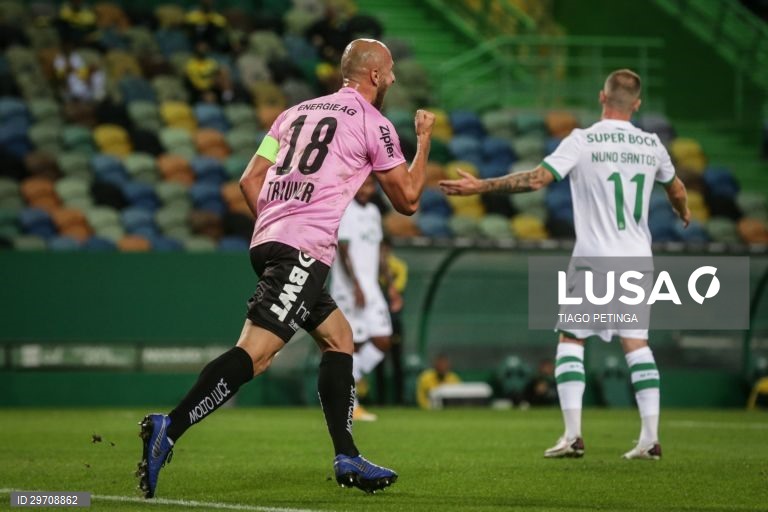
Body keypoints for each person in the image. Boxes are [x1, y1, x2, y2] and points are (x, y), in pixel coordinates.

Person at [136, 38, 435, 499]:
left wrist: (279, 226)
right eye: (391, 70)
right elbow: (409, 200)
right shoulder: (376, 125)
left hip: (268, 238)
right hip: (303, 250)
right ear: (375, 75)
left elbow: (248, 179)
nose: (393, 78)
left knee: (339, 338)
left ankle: (347, 453)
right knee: (257, 354)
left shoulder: (294, 113)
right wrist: (425, 139)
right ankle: (169, 427)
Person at [440, 69, 690, 460]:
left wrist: (481, 186)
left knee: (571, 338)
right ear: (637, 104)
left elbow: (537, 180)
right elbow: (675, 188)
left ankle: (573, 435)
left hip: (594, 257)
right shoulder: (651, 144)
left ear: (601, 97)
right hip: (639, 257)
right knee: (637, 343)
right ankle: (650, 438)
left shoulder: (583, 140)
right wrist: (684, 210)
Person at [330, 175, 399, 422]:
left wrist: (390, 286)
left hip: (371, 287)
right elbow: (344, 251)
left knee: (383, 339)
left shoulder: (373, 212)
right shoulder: (345, 209)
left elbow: (380, 253)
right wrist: (356, 285)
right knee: (354, 344)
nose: (366, 190)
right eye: (363, 185)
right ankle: (353, 405)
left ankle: (343, 381)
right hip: (349, 288)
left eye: (370, 186)